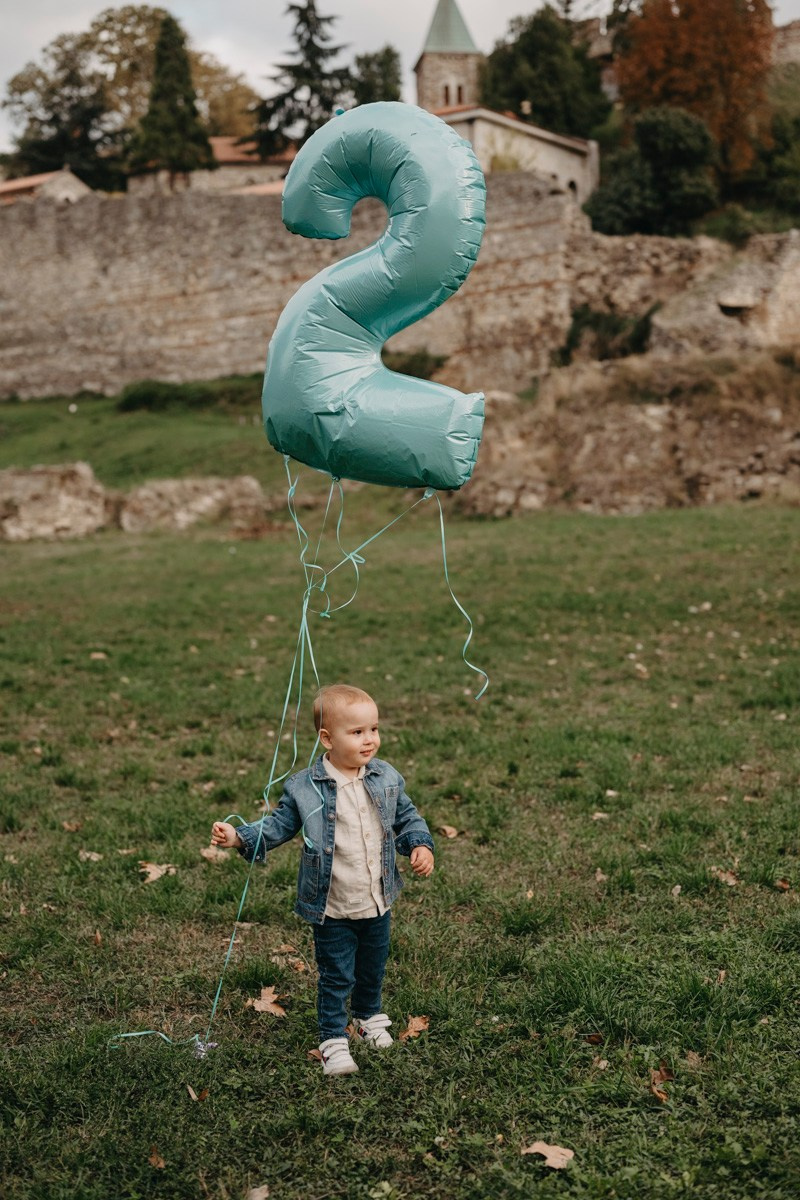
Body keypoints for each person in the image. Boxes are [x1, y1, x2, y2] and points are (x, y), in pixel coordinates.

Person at [211, 683, 435, 1076]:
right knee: (337, 974)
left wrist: (419, 844)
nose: (370, 740)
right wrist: (240, 836)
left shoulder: (385, 777)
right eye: (357, 732)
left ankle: (368, 1017)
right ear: (327, 739)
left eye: (374, 729)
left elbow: (407, 815)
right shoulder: (305, 786)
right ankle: (333, 1039)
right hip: (332, 904)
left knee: (373, 965)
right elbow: (280, 825)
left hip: (377, 898)